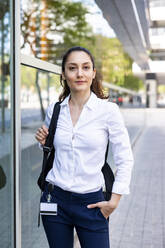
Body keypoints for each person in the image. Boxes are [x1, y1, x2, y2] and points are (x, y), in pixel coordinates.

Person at [35, 46, 134, 248]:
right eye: (72, 68)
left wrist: (114, 201)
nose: (79, 73)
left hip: (92, 203)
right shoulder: (55, 110)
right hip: (55, 198)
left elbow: (125, 157)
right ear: (63, 74)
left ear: (93, 73)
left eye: (85, 67)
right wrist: (44, 143)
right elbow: (53, 153)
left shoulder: (108, 111)